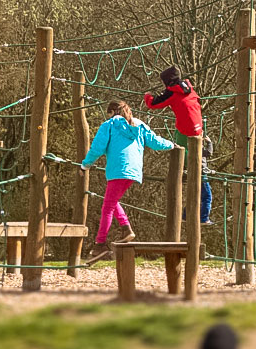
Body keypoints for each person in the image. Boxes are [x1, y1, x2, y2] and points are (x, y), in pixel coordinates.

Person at [80, 100, 177, 256]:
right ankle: (126, 229)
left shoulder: (109, 125)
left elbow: (97, 148)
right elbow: (156, 142)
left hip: (118, 170)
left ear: (112, 112)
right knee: (112, 201)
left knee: (107, 208)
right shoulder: (139, 126)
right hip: (134, 171)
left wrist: (85, 165)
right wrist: (171, 144)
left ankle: (100, 243)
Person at [144, 66, 210, 226]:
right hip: (198, 130)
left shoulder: (172, 92)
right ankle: (189, 172)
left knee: (182, 154)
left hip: (185, 131)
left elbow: (153, 104)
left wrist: (147, 95)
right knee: (199, 164)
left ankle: (184, 170)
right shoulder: (190, 88)